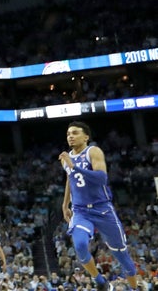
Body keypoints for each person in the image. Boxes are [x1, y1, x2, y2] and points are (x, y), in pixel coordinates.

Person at [60, 121, 138, 291]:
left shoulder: (93, 151)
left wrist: (74, 167)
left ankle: (135, 288)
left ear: (86, 136)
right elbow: (70, 179)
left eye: (74, 133)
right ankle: (100, 281)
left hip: (102, 208)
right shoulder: (66, 158)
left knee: (121, 255)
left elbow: (101, 178)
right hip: (80, 210)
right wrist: (65, 204)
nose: (70, 136)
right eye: (68, 134)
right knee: (79, 245)